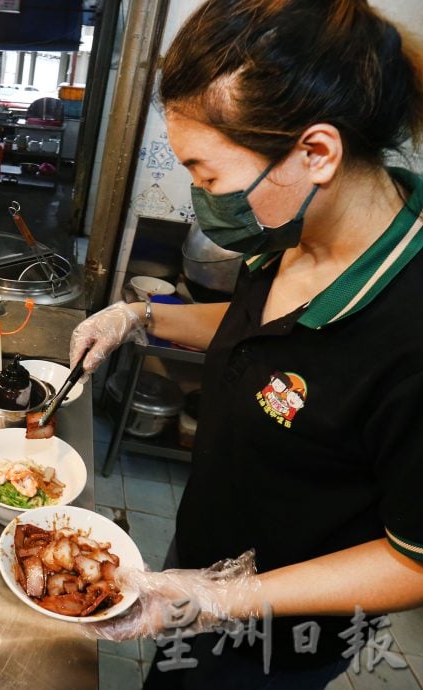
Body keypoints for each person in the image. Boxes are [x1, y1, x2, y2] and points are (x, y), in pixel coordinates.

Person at [68, 1, 423, 688]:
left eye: (206, 174)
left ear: (314, 153)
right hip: (207, 551)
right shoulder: (292, 232)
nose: (201, 195)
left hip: (276, 636)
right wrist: (138, 317)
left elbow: (411, 559)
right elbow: (262, 334)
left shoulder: (410, 329)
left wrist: (219, 599)